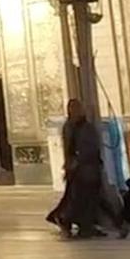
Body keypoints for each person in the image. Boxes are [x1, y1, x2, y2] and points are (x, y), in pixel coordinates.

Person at [47, 100, 121, 239]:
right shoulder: (72, 127)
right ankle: (70, 221)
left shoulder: (84, 126)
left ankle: (82, 224)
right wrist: (71, 164)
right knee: (81, 199)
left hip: (88, 168)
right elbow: (71, 148)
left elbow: (91, 148)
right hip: (81, 170)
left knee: (88, 199)